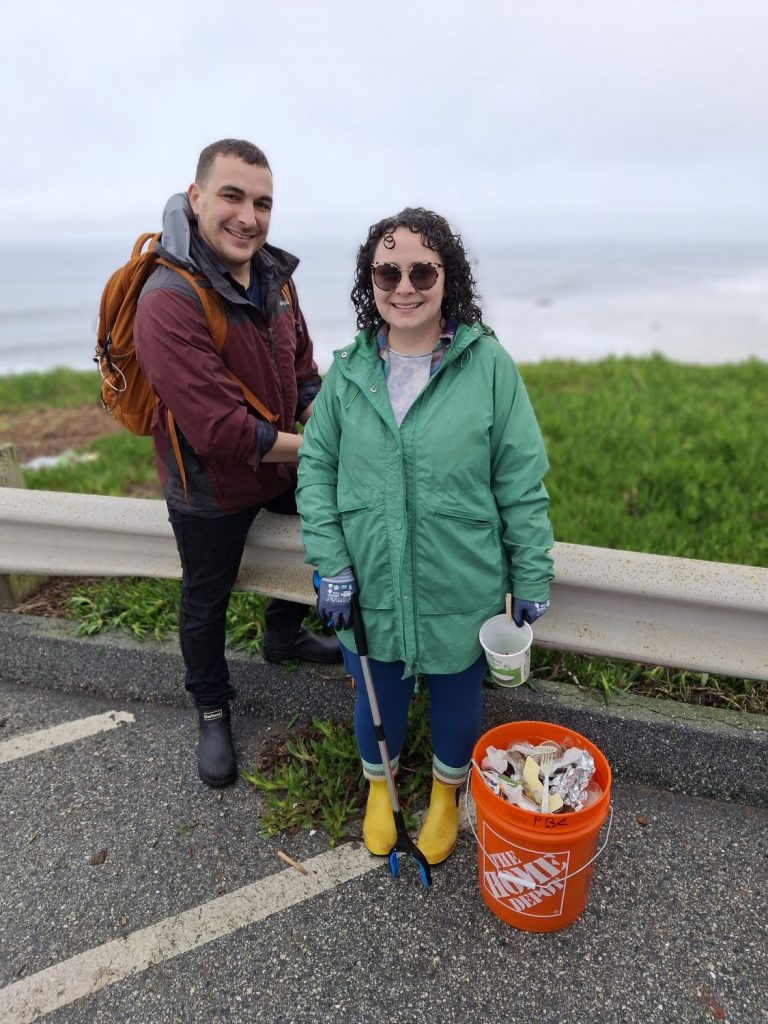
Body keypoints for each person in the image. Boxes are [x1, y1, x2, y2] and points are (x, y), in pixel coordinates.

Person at [296, 208, 554, 866]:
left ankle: (444, 798)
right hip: (369, 581)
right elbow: (316, 471)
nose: (404, 285)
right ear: (370, 279)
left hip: (458, 578)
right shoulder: (350, 372)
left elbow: (520, 479)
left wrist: (531, 574)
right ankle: (378, 791)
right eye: (388, 270)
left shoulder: (487, 364)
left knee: (457, 698)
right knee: (375, 692)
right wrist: (330, 566)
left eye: (422, 270)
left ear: (448, 277)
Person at [134, 138, 340, 788]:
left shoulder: (276, 275)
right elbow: (219, 431)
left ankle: (283, 633)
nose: (248, 216)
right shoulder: (166, 298)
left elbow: (302, 373)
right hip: (209, 483)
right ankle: (212, 706)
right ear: (196, 198)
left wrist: (331, 417)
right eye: (232, 196)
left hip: (278, 462)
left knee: (328, 536)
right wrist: (319, 449)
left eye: (263, 202)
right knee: (205, 600)